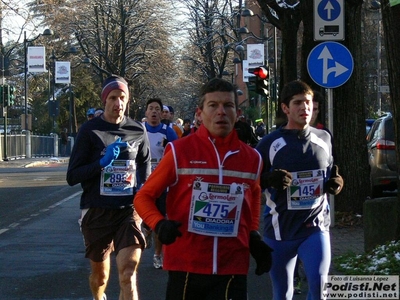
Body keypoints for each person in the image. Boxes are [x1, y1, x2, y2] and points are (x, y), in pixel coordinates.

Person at [134, 78, 272, 300]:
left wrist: (253, 235)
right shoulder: (179, 152)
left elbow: (254, 196)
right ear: (200, 113)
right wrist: (159, 224)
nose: (221, 112)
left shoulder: (252, 158)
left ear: (237, 113)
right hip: (187, 265)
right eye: (213, 105)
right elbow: (143, 197)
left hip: (232, 266)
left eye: (228, 106)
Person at [256, 80, 344, 300]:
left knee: (319, 288)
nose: (304, 107)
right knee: (283, 294)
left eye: (308, 102)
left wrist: (337, 182)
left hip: (315, 228)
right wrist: (268, 179)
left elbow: (331, 170)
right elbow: (250, 183)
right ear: (285, 108)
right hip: (279, 231)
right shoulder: (269, 144)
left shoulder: (324, 138)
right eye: (298, 103)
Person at [66, 75, 151, 300]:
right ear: (104, 100)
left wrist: (144, 190)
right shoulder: (90, 131)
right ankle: (98, 296)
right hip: (97, 210)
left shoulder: (137, 130)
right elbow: (72, 176)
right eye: (113, 97)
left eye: (122, 98)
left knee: (128, 274)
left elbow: (144, 164)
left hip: (128, 210)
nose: (118, 103)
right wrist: (100, 164)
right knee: (101, 278)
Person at [143, 98, 178, 269]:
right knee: (143, 217)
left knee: (161, 219)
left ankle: (157, 255)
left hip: (162, 183)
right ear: (146, 113)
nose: (155, 112)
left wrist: (169, 148)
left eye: (157, 108)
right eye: (151, 108)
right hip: (143, 181)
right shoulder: (139, 130)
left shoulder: (168, 132)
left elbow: (178, 156)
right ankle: (147, 230)